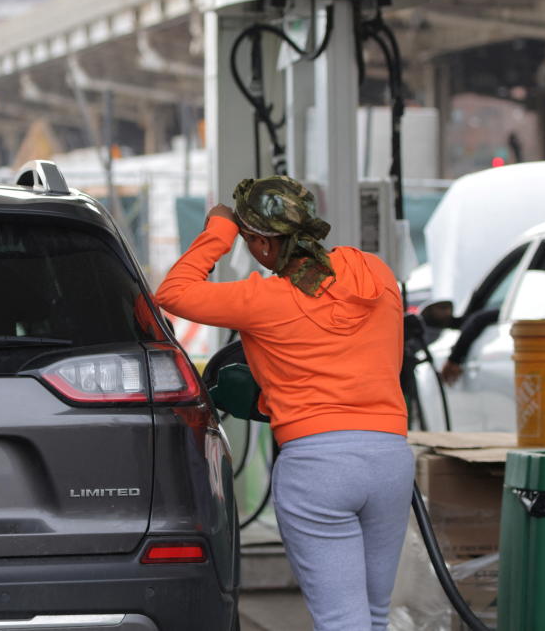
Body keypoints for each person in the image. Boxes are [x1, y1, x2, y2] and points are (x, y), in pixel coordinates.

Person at [156, 175, 414, 631]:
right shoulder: (374, 272)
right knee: (374, 616)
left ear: (259, 243)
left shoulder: (262, 299)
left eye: (249, 239)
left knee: (341, 621)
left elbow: (172, 292)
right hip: (390, 460)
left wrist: (219, 230)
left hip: (318, 467)